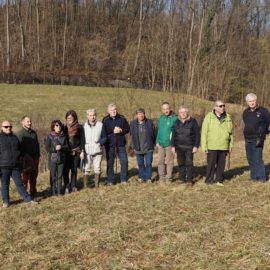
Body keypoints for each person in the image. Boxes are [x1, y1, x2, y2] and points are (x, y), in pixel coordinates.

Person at [0, 120, 36, 208]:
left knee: (19, 183)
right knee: (5, 184)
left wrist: (20, 162)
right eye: (6, 127)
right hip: (3, 166)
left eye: (10, 126)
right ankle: (6, 202)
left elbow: (20, 151)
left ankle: (27, 199)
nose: (8, 128)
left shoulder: (15, 138)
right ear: (1, 128)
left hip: (15, 166)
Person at [201, 100, 233, 184]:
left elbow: (231, 133)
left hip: (223, 145)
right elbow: (204, 132)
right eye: (220, 106)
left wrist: (230, 145)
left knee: (221, 165)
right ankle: (209, 181)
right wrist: (204, 147)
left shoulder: (228, 117)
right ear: (215, 107)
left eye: (223, 105)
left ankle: (219, 180)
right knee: (210, 165)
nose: (223, 107)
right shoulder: (209, 117)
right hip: (212, 146)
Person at [243, 93, 270, 182]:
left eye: (253, 100)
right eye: (250, 101)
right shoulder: (245, 112)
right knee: (250, 158)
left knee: (258, 158)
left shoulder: (263, 111)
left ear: (256, 100)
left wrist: (264, 133)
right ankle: (254, 177)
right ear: (247, 102)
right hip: (247, 139)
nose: (252, 103)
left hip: (258, 138)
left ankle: (262, 177)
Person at [102, 103, 130, 185]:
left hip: (121, 144)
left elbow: (127, 128)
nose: (113, 111)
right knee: (110, 162)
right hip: (110, 145)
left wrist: (121, 130)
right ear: (108, 111)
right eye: (111, 110)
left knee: (124, 161)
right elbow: (104, 131)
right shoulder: (105, 120)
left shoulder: (122, 118)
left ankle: (123, 179)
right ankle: (110, 180)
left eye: (114, 110)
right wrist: (112, 130)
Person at [171, 106, 200, 184]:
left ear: (187, 112)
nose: (183, 113)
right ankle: (182, 179)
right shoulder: (176, 122)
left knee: (189, 163)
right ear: (179, 114)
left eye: (184, 112)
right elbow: (174, 134)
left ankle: (189, 179)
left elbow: (197, 134)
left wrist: (196, 146)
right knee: (181, 163)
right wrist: (173, 145)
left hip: (189, 147)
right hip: (179, 147)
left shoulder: (193, 121)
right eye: (181, 112)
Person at [16, 116, 40, 198]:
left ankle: (33, 191)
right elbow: (18, 148)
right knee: (25, 178)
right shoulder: (20, 134)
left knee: (34, 176)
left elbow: (37, 144)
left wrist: (38, 156)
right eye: (27, 121)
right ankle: (24, 194)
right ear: (22, 122)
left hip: (35, 158)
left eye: (30, 121)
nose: (30, 123)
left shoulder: (33, 132)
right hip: (26, 160)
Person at [130, 108, 156, 183]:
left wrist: (153, 143)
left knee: (148, 163)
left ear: (144, 114)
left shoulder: (150, 122)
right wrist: (133, 145)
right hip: (138, 147)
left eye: (142, 113)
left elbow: (154, 134)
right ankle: (142, 177)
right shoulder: (132, 123)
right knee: (140, 164)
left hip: (148, 147)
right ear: (136, 115)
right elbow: (131, 135)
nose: (141, 115)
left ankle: (148, 178)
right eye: (139, 114)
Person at [63, 110, 85, 194]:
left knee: (74, 169)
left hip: (76, 152)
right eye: (68, 118)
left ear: (74, 118)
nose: (69, 119)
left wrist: (82, 151)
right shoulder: (64, 128)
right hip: (66, 153)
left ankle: (74, 186)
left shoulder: (79, 127)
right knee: (66, 170)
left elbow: (83, 140)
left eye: (71, 118)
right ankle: (66, 186)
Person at [82, 109, 105, 188]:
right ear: (87, 116)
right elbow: (82, 139)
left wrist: (100, 143)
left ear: (96, 115)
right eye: (90, 115)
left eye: (94, 115)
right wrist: (82, 150)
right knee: (86, 169)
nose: (92, 117)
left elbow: (105, 137)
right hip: (87, 150)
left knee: (97, 168)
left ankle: (96, 185)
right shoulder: (83, 126)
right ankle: (85, 186)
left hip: (97, 150)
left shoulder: (101, 125)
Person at [45, 120, 68, 195]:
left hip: (62, 158)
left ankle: (59, 192)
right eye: (56, 125)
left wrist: (61, 147)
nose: (58, 127)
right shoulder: (50, 136)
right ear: (53, 127)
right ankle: (53, 192)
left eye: (59, 125)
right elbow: (47, 148)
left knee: (60, 176)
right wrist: (55, 149)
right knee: (53, 176)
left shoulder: (64, 136)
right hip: (52, 159)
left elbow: (67, 147)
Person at [156, 102, 177, 182]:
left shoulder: (174, 118)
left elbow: (176, 133)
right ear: (162, 110)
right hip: (161, 144)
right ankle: (162, 177)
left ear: (170, 108)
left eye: (167, 109)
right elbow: (159, 131)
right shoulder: (161, 118)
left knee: (169, 162)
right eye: (164, 109)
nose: (166, 111)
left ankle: (168, 178)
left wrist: (174, 144)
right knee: (160, 161)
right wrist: (157, 141)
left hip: (169, 144)